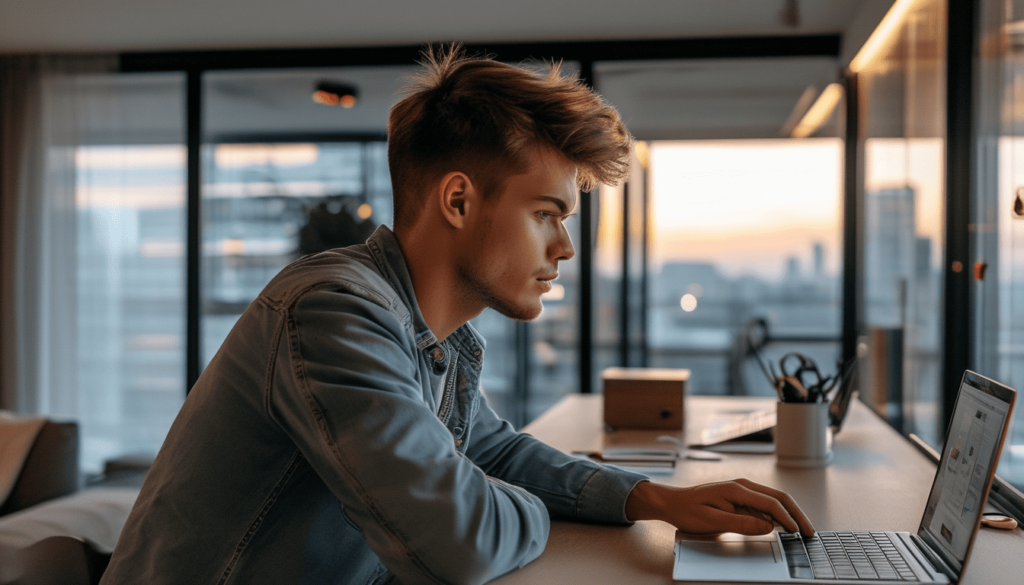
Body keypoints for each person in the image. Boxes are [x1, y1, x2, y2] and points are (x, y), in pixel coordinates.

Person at [100, 47, 813, 585]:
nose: (565, 247)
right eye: (546, 215)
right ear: (459, 201)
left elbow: (494, 451)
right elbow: (459, 538)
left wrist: (653, 498)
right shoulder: (333, 312)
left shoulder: (439, 336)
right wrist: (533, 508)